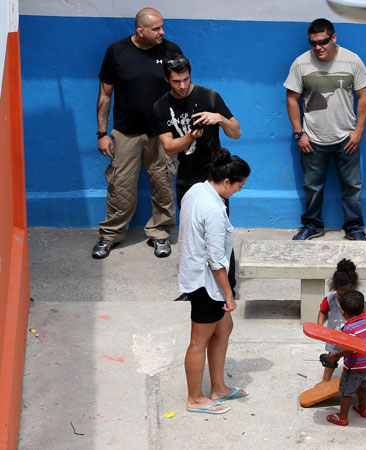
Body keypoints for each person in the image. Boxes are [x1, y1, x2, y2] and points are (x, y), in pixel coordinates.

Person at [93, 8, 182, 259]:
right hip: (125, 133)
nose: (162, 32)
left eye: (162, 27)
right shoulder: (117, 52)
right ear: (140, 30)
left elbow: (181, 88)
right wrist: (102, 133)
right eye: (156, 29)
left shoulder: (171, 51)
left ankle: (160, 232)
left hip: (162, 133)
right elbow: (104, 95)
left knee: (163, 183)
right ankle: (110, 234)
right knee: (120, 186)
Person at [284, 18, 366, 241]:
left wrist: (359, 130)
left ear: (334, 38)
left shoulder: (352, 61)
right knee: (312, 187)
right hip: (312, 139)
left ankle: (354, 228)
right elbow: (292, 98)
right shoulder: (301, 63)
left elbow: (363, 96)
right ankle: (312, 225)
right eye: (313, 43)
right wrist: (299, 133)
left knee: (352, 187)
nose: (318, 47)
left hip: (346, 138)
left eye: (323, 41)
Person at [179, 148, 251, 415]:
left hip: (198, 276)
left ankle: (218, 387)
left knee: (224, 328)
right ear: (226, 182)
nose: (239, 191)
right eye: (239, 186)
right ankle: (194, 398)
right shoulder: (214, 210)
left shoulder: (196, 190)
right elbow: (216, 260)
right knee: (199, 341)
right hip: (205, 284)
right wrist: (229, 295)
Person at [153, 54, 242, 208]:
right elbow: (169, 148)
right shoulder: (161, 107)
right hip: (186, 178)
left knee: (217, 227)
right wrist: (190, 137)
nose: (182, 86)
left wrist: (220, 118)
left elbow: (236, 133)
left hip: (215, 177)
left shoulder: (210, 97)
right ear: (167, 80)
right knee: (191, 228)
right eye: (176, 81)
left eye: (186, 79)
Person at [323, 290, 366, 426]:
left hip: (355, 369)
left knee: (346, 392)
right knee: (362, 388)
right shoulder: (364, 322)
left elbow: (351, 348)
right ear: (362, 309)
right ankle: (363, 409)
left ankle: (343, 417)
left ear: (342, 311)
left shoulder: (349, 328)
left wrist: (336, 355)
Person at [316, 259, 366, 384]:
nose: (342, 297)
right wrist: (320, 326)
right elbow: (322, 311)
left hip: (352, 337)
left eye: (346, 293)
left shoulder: (357, 301)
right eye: (340, 294)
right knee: (330, 358)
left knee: (353, 359)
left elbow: (363, 319)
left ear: (353, 288)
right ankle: (325, 380)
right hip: (334, 336)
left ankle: (353, 379)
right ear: (335, 288)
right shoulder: (330, 299)